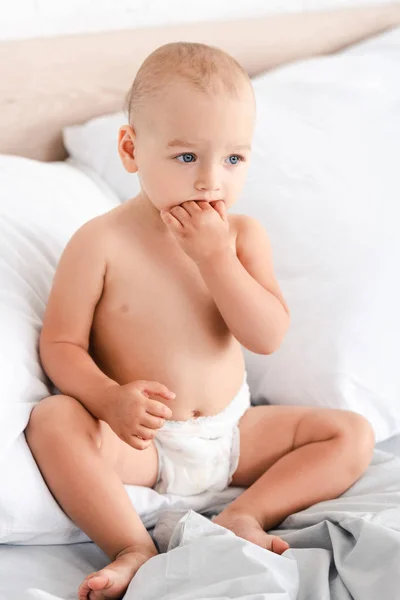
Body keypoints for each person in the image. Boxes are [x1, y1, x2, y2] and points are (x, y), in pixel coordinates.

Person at [25, 42, 374, 600]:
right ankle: (130, 547)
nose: (212, 180)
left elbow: (266, 335)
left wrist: (216, 259)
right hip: (145, 443)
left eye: (233, 159)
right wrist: (109, 399)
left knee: (352, 434)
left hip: (235, 433)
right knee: (52, 421)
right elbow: (62, 344)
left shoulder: (242, 237)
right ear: (131, 148)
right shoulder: (101, 243)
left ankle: (244, 514)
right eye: (187, 158)